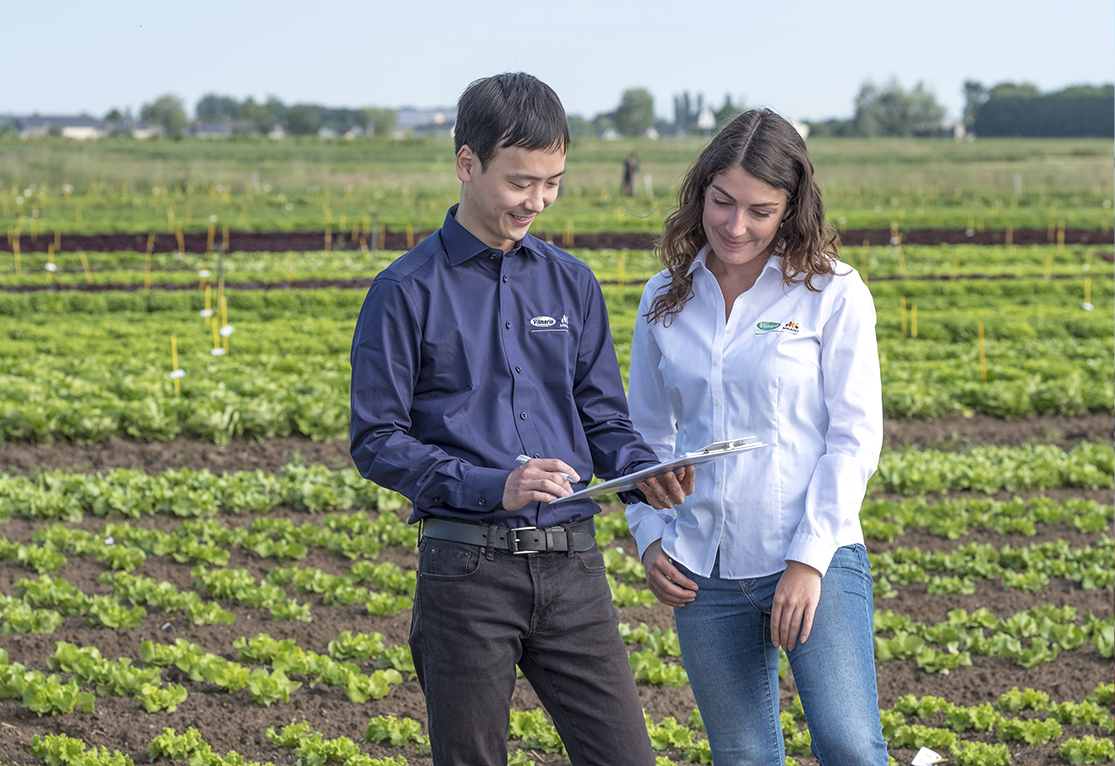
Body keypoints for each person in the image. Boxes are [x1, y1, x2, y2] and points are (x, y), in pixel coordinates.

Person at [350, 72, 693, 766]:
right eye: (520, 182)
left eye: (553, 182)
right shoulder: (404, 291)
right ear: (466, 163)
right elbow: (376, 440)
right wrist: (492, 485)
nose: (537, 201)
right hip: (466, 570)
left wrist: (640, 473)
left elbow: (602, 417)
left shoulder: (571, 282)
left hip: (574, 569)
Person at [626, 109, 888, 765]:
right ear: (700, 194)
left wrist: (807, 561)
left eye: (760, 210)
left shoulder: (833, 292)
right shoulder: (665, 296)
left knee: (850, 746)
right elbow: (641, 434)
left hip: (812, 557)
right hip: (703, 571)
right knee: (742, 756)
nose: (736, 226)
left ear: (791, 209)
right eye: (722, 202)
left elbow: (854, 438)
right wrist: (650, 537)